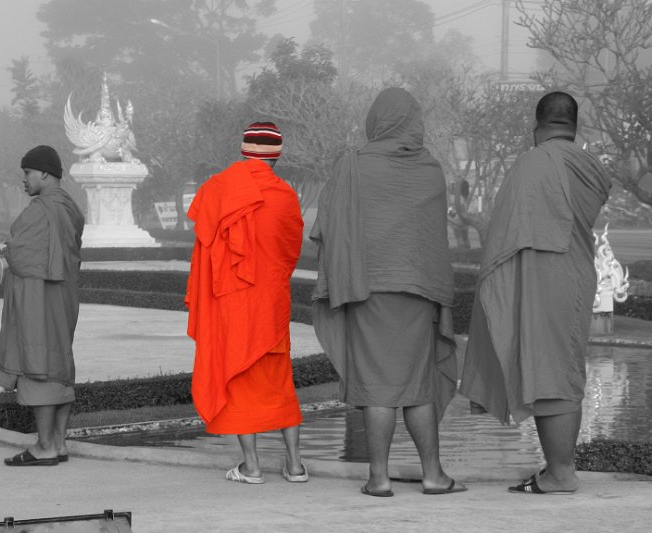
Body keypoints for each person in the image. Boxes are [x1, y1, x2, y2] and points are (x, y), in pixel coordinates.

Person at [311, 87, 464, 497]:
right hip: (416, 290)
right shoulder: (431, 170)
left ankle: (377, 479)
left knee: (378, 386)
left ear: (376, 121)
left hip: (366, 289)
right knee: (418, 385)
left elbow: (326, 226)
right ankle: (433, 475)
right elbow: (430, 237)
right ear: (413, 122)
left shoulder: (352, 167)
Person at [460, 91, 611, 494]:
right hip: (575, 277)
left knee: (549, 370)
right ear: (575, 128)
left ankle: (561, 473)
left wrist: (492, 278)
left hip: (539, 278)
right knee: (563, 367)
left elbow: (507, 230)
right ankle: (559, 468)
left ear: (536, 126)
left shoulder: (532, 162)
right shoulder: (591, 165)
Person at [185, 122, 307, 484]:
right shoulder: (285, 196)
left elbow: (204, 251)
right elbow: (289, 253)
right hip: (271, 308)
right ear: (277, 155)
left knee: (237, 380)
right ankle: (296, 465)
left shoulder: (219, 189)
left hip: (234, 307)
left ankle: (252, 467)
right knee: (280, 383)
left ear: (244, 150)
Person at [0, 145, 85, 466]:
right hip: (64, 299)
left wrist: (7, 253)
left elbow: (23, 255)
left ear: (45, 173)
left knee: (39, 364)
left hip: (40, 301)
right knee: (60, 363)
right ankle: (58, 443)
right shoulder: (70, 207)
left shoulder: (41, 209)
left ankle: (44, 445)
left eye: (28, 173)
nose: (24, 180)